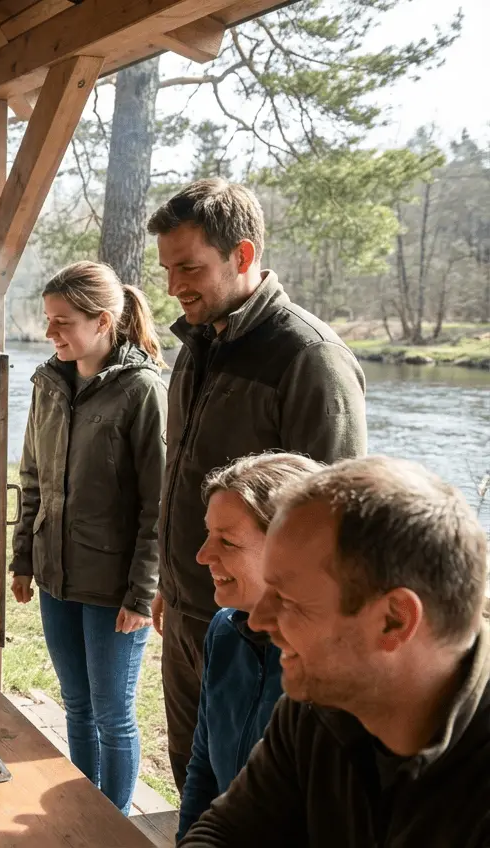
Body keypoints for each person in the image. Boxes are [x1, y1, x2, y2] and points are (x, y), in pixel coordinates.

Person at [146, 178, 367, 791]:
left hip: (269, 634)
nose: (173, 286)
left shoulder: (311, 359)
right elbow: (180, 478)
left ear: (243, 256)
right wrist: (172, 583)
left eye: (189, 267)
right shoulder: (195, 344)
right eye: (166, 268)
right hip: (195, 610)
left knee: (261, 796)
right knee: (199, 771)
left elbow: (333, 521)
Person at [182, 456, 490, 846]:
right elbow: (227, 830)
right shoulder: (317, 700)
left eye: (289, 600)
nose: (259, 620)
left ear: (393, 621)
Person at [9, 261, 167, 814]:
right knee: (75, 705)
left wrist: (142, 595)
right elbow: (33, 478)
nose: (51, 333)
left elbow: (159, 504)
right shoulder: (48, 383)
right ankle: (81, 813)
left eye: (62, 323)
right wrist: (23, 560)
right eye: (49, 321)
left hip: (114, 587)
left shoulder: (142, 391)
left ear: (102, 322)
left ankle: (115, 824)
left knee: (112, 713)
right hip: (55, 576)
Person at [176, 452, 322, 839]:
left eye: (227, 541)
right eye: (208, 534)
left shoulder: (329, 667)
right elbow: (204, 768)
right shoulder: (224, 631)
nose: (203, 555)